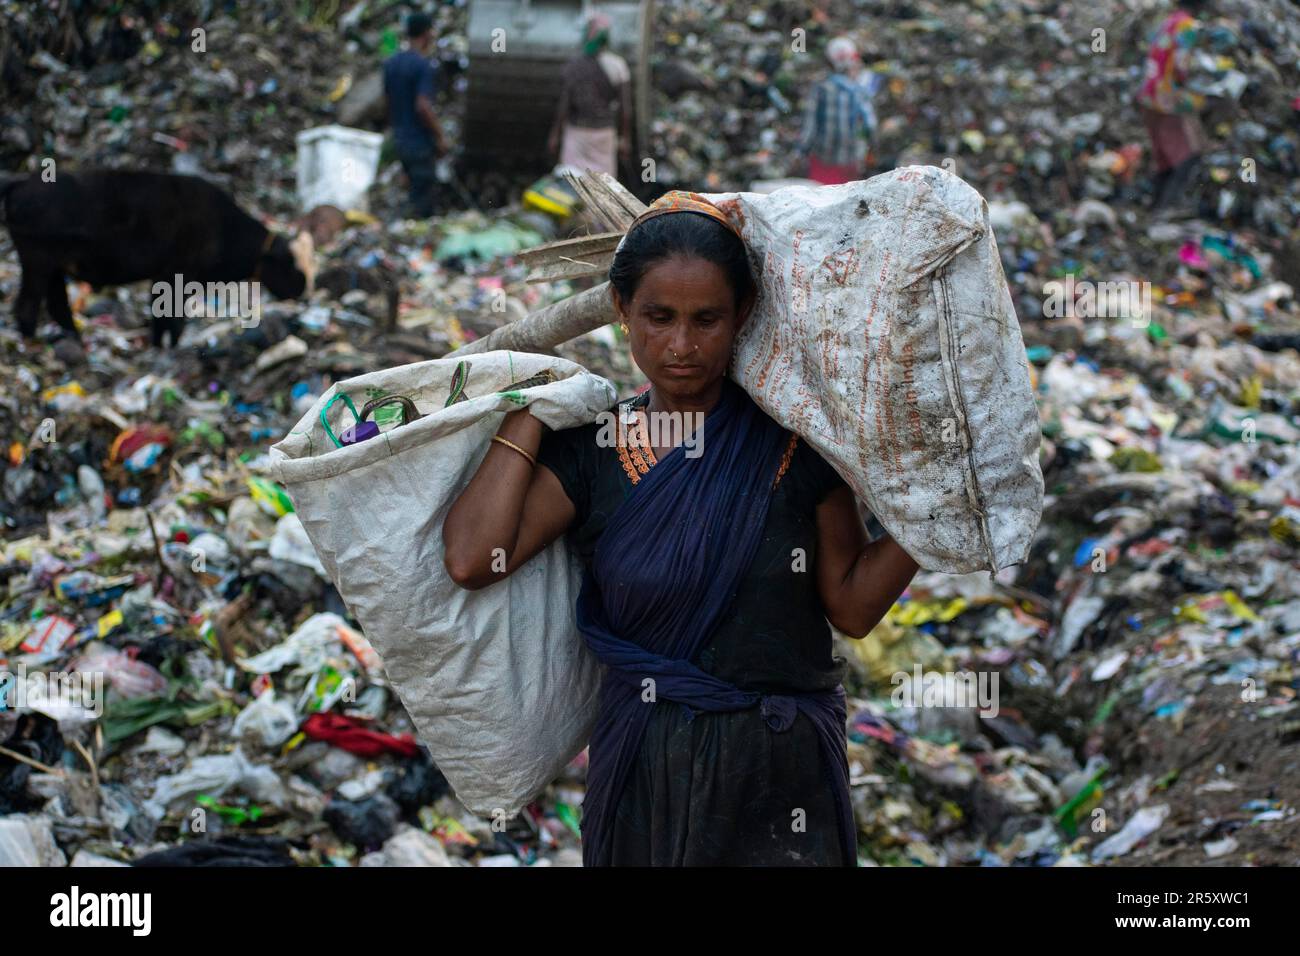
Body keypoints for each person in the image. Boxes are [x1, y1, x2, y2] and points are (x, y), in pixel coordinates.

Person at [443, 191, 921, 866]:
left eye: (707, 320)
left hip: (780, 773)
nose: (681, 347)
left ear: (743, 315)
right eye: (658, 318)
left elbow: (852, 606)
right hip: (647, 764)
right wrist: (527, 410)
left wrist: (933, 516)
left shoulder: (796, 443)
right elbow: (472, 559)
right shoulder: (595, 451)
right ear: (621, 311)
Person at [1137, 1, 1209, 215]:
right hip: (1168, 99)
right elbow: (1181, 66)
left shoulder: (1167, 22)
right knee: (1189, 155)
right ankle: (1167, 208)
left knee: (1165, 158)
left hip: (1149, 95)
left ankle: (1154, 205)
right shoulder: (1188, 26)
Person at [548, 11, 632, 178]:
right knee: (602, 184)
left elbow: (564, 105)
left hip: (576, 133)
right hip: (603, 134)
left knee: (572, 182)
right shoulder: (617, 66)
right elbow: (625, 108)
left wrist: (555, 135)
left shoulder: (574, 65)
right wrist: (625, 139)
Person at [383, 12, 448, 219]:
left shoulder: (391, 64)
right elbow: (423, 106)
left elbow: (387, 104)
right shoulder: (422, 66)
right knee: (423, 201)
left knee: (411, 190)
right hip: (419, 142)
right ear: (427, 34)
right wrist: (439, 136)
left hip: (401, 140)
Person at [797, 36, 883, 185]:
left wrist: (800, 152)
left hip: (822, 159)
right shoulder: (858, 91)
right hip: (850, 162)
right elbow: (870, 125)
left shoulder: (820, 88)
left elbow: (809, 128)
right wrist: (870, 150)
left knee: (820, 200)